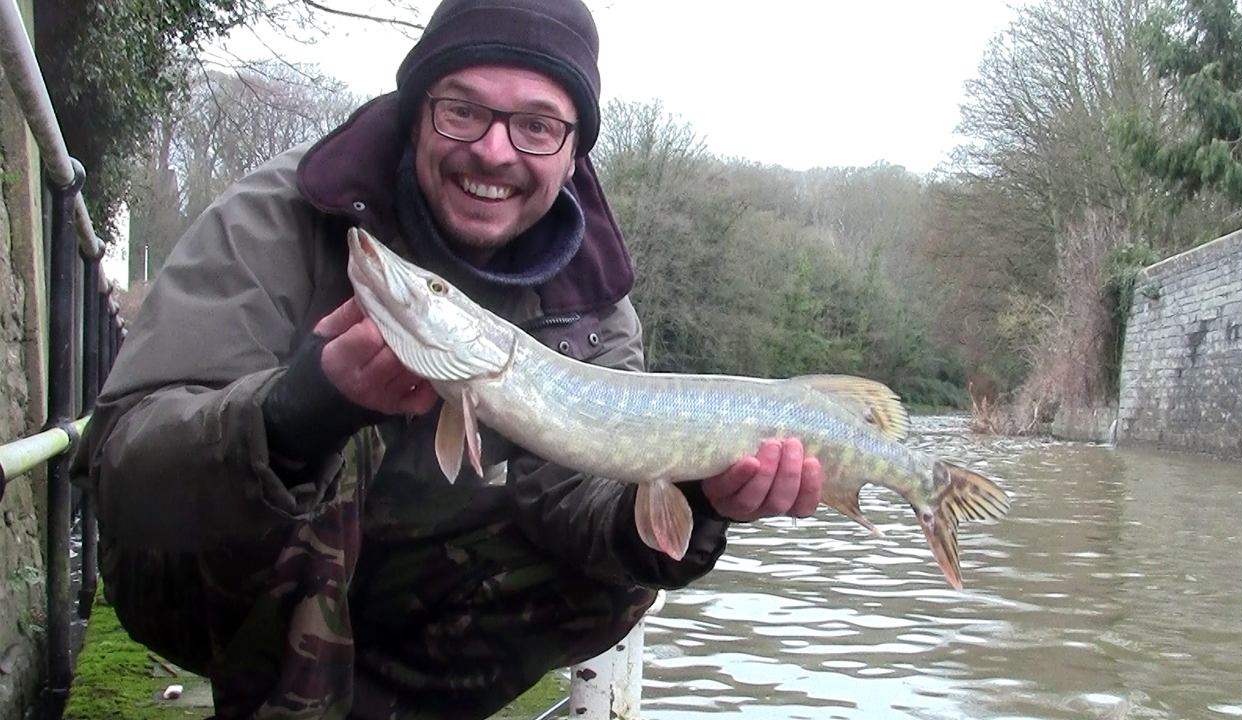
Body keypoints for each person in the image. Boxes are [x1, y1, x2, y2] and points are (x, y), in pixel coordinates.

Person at [71, 0, 823, 718]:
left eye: (536, 125)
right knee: (341, 449)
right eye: (462, 109)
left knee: (616, 579)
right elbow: (121, 472)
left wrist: (700, 501)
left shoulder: (592, 298)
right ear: (415, 110)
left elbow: (574, 503)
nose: (493, 150)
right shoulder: (278, 214)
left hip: (395, 588)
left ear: (572, 155)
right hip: (195, 573)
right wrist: (298, 412)